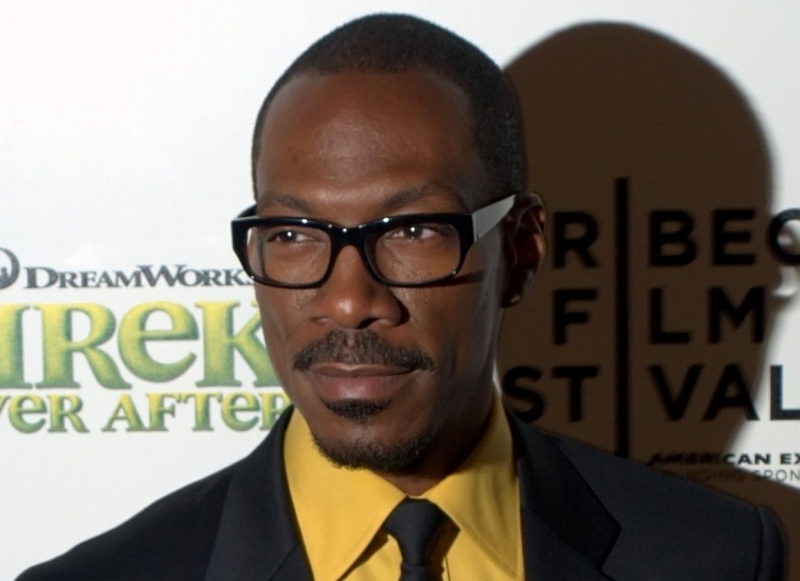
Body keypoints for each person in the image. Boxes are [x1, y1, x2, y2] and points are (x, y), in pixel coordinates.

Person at [18, 13, 785, 581]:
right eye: (293, 233)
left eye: (413, 230)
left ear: (521, 248)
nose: (349, 300)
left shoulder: (716, 556)